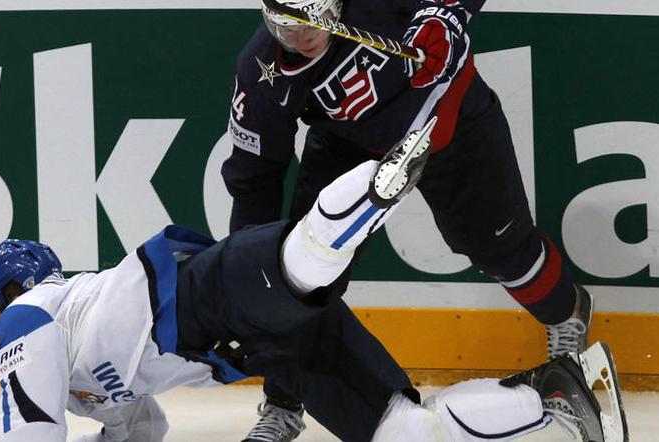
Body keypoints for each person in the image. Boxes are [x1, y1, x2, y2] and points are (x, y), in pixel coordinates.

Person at [0, 125, 623, 442]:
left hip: (192, 300)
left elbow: (30, 432)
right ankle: (558, 399)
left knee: (295, 263)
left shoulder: (30, 316)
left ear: (7, 296)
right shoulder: (82, 380)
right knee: (403, 433)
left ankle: (375, 187)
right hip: (253, 346)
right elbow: (144, 428)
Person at [221, 0, 594, 439]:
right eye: (285, 27)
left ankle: (564, 312)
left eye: (311, 25)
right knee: (302, 274)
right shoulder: (261, 69)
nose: (299, 40)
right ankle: (284, 400)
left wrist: (446, 15)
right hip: (350, 150)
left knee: (501, 248)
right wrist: (249, 265)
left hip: (448, 121)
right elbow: (254, 178)